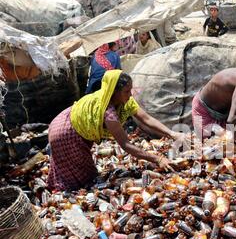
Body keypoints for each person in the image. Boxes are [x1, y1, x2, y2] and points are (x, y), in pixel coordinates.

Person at [48, 70, 181, 191]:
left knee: (81, 170)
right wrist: (158, 159)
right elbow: (125, 144)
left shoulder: (125, 101)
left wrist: (172, 133)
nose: (130, 95)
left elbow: (146, 118)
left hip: (68, 122)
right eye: (126, 91)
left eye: (131, 90)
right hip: (65, 133)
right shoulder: (108, 112)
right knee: (82, 177)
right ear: (114, 92)